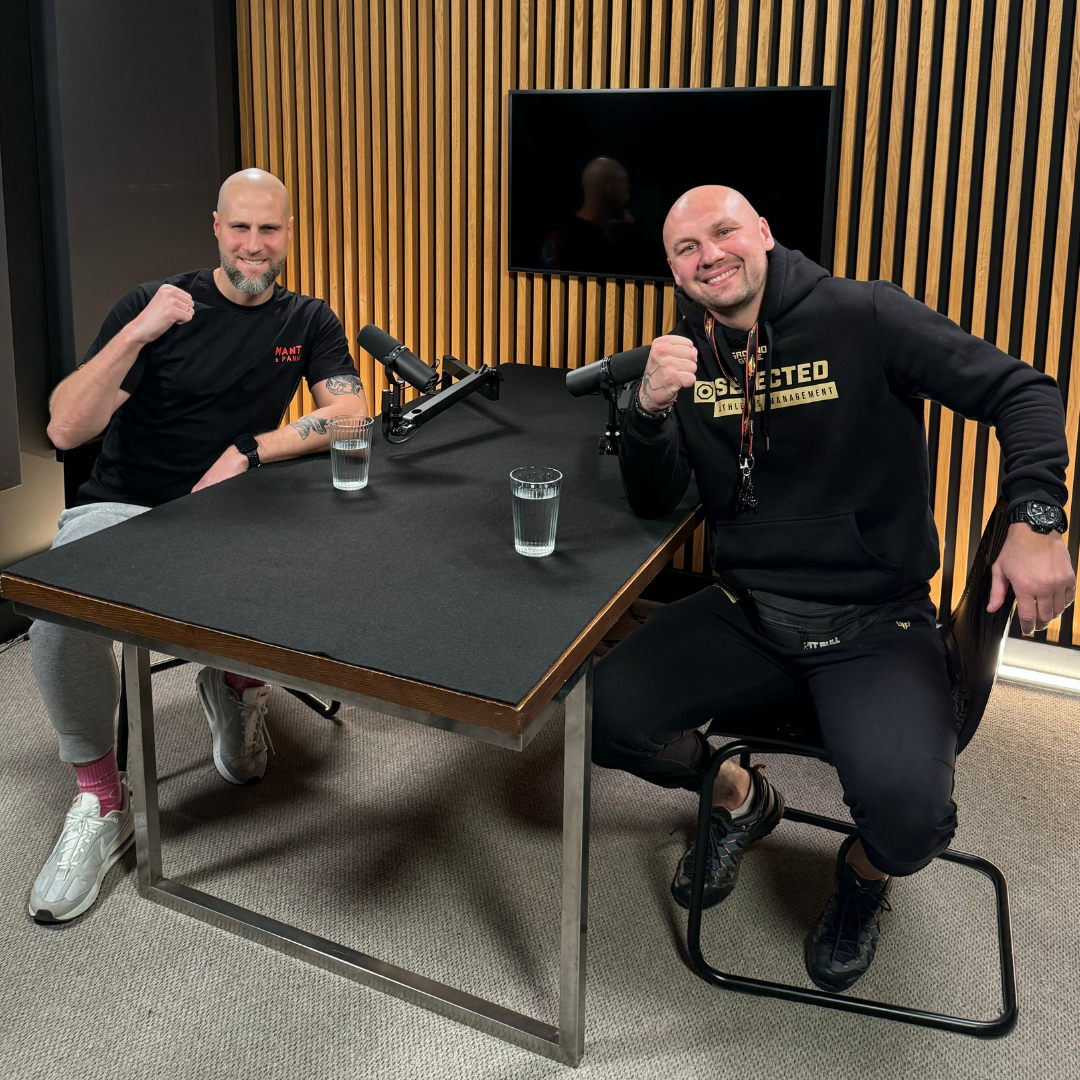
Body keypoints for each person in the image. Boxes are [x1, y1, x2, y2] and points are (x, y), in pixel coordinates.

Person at [592, 185, 1075, 990]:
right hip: (750, 609)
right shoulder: (687, 355)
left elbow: (1023, 390)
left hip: (875, 618)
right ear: (674, 271)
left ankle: (861, 876)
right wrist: (646, 411)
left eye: (724, 232)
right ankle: (739, 798)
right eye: (686, 248)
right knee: (605, 719)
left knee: (912, 825)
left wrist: (1037, 515)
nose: (710, 255)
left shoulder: (864, 315)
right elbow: (653, 498)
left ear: (763, 233)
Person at [28, 168, 368, 923]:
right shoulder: (155, 305)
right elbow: (66, 429)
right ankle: (101, 801)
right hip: (125, 506)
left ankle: (235, 686)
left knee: (310, 571)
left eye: (269, 229)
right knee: (58, 610)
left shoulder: (307, 320)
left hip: (232, 511)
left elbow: (351, 414)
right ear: (216, 228)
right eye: (240, 227)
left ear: (289, 234)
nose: (254, 244)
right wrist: (136, 334)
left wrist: (250, 449)